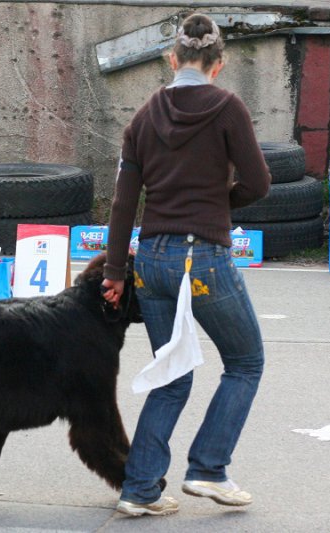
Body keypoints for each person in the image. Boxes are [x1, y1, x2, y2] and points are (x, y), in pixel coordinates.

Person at [101, 13, 271, 517]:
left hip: (150, 260)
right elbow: (259, 183)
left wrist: (114, 273)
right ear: (218, 64)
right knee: (245, 362)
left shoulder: (143, 116)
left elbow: (121, 204)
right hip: (204, 259)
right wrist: (220, 205)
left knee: (170, 376)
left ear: (172, 60)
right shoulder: (228, 108)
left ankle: (140, 489)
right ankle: (209, 467)